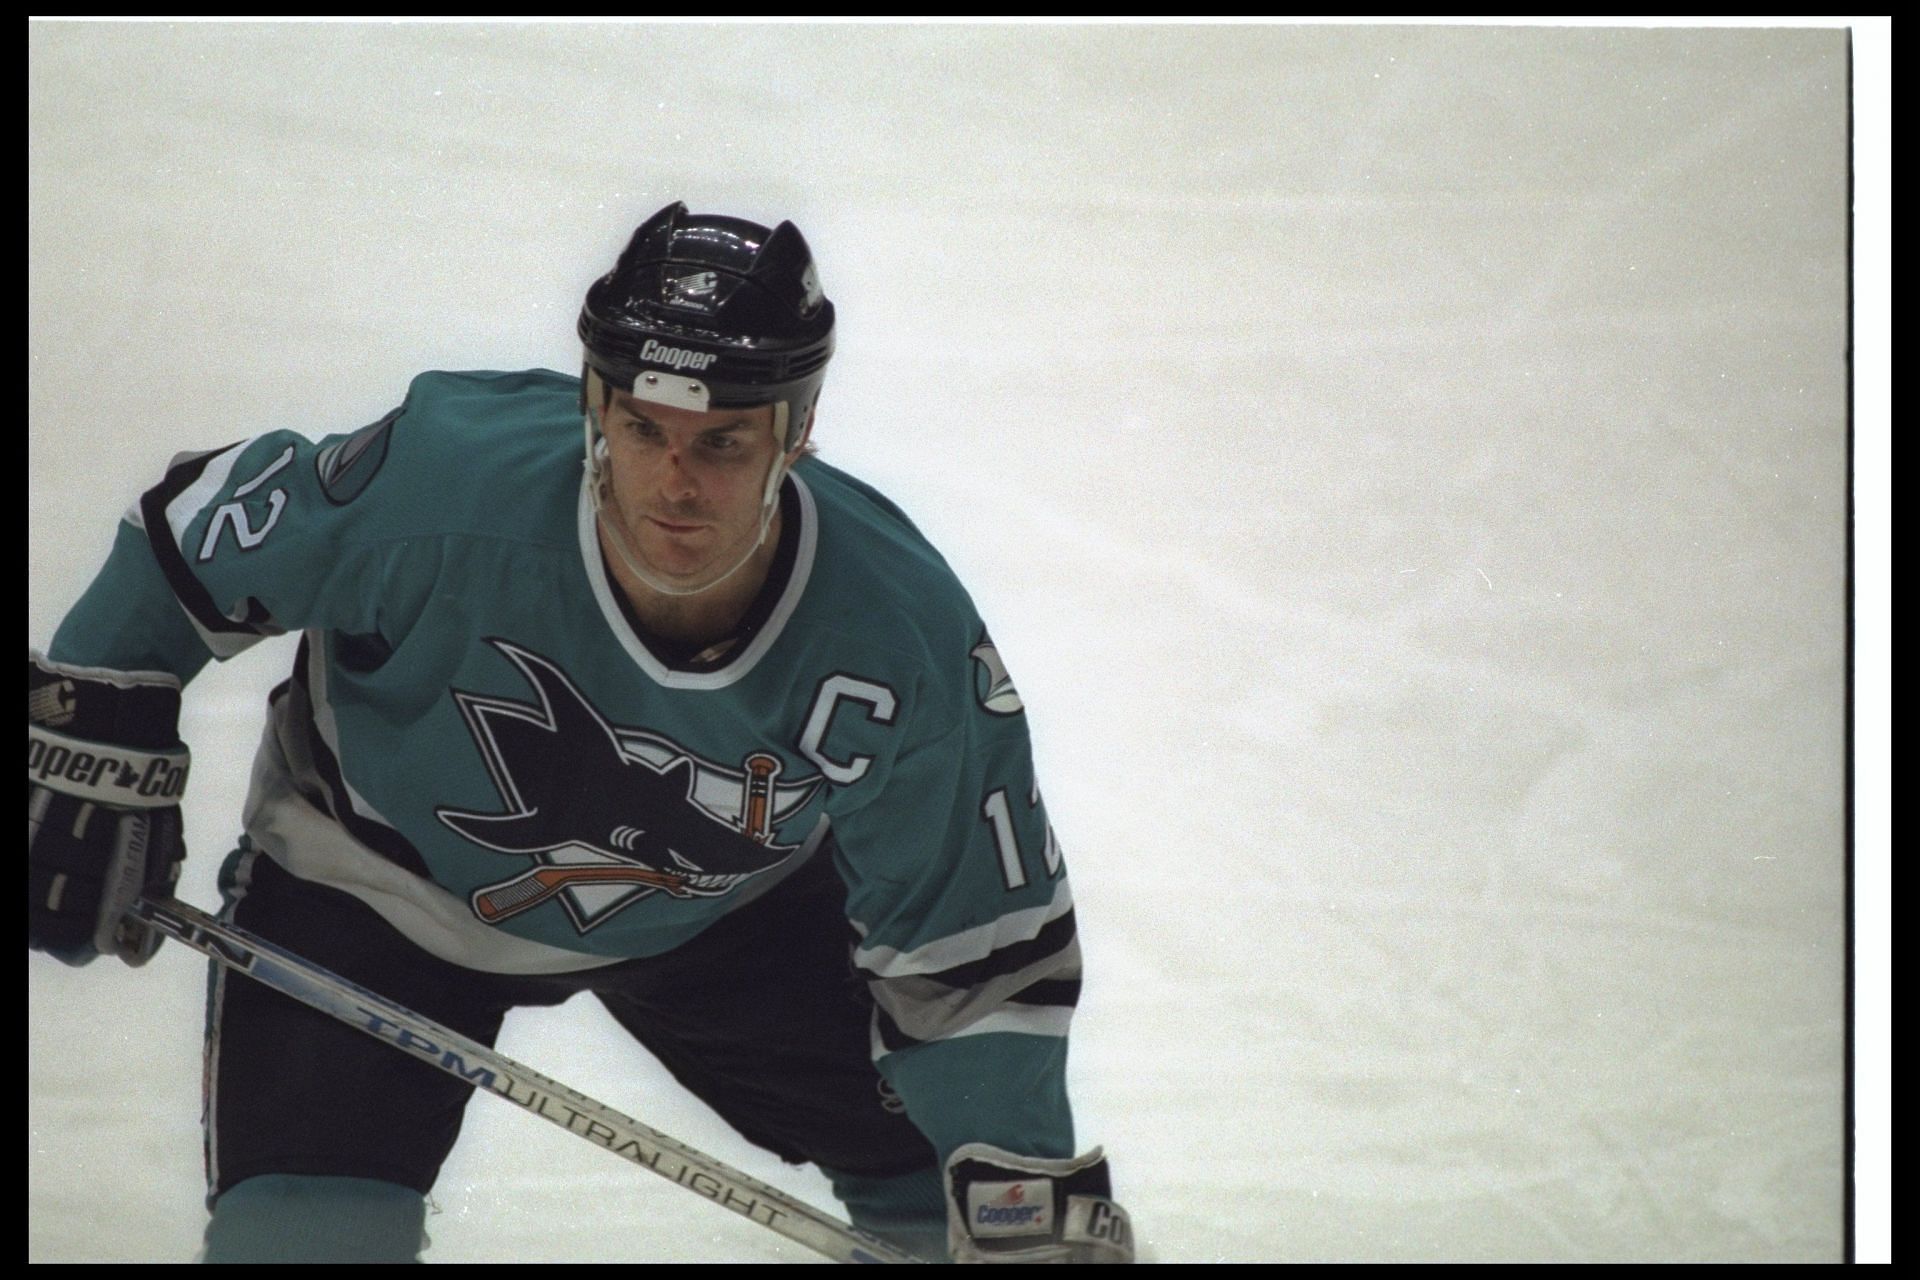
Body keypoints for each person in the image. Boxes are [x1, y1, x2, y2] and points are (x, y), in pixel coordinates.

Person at [27, 202, 1134, 1264]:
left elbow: (971, 936)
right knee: (306, 1236)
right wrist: (91, 730)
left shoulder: (898, 629)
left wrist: (1012, 1172)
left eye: (724, 443)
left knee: (954, 1208)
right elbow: (188, 548)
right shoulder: (442, 481)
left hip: (726, 911)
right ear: (596, 404)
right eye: (645, 428)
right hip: (369, 891)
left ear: (796, 431)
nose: (675, 483)